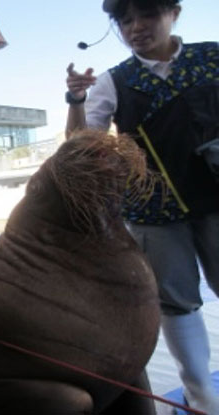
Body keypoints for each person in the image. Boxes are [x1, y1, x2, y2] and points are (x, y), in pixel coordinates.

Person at [65, 0, 219, 413]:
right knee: (176, 302)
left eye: (147, 14)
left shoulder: (213, 57)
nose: (135, 27)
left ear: (174, 13)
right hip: (153, 209)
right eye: (125, 19)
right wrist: (75, 98)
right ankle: (201, 397)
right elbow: (81, 147)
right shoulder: (113, 81)